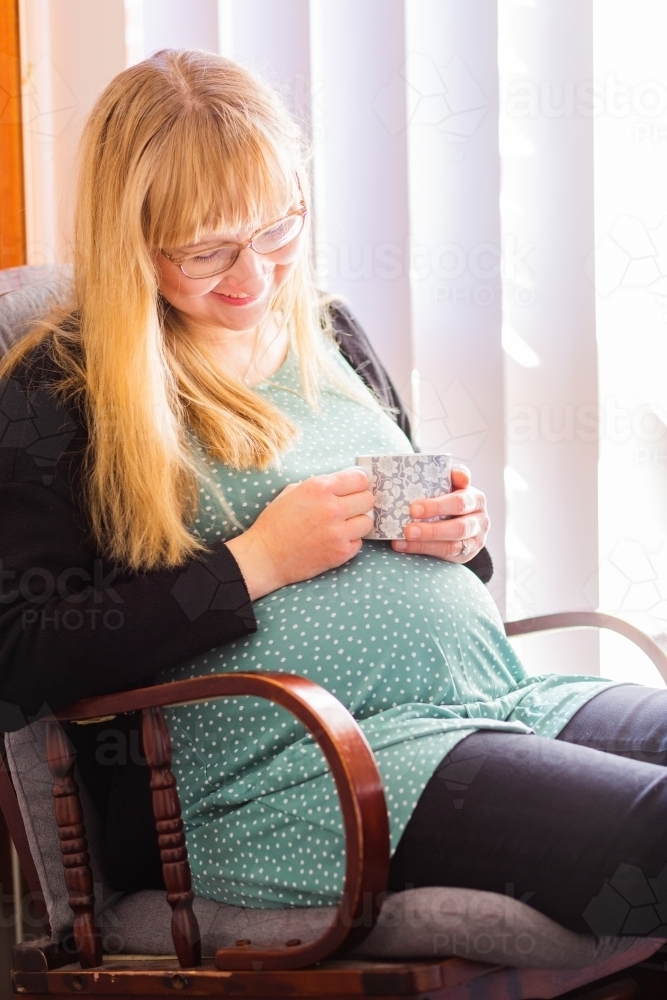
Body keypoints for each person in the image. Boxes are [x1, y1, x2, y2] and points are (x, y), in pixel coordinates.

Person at [1, 49, 667, 940]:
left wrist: (459, 535)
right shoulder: (57, 390)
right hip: (293, 772)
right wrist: (253, 563)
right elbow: (22, 656)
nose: (254, 276)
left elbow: (460, 571)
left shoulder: (328, 330)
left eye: (276, 232)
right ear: (132, 239)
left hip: (493, 700)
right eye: (208, 250)